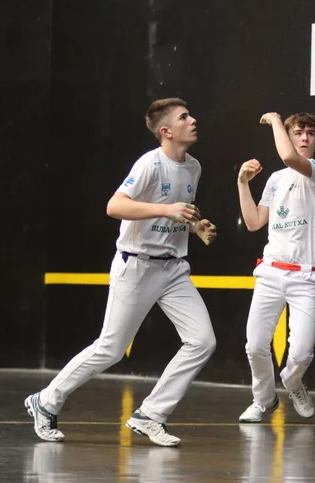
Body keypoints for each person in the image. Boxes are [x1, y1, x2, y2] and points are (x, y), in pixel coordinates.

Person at [25, 98, 218, 447]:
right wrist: (167, 210)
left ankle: (150, 415)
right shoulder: (149, 164)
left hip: (174, 269)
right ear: (166, 131)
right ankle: (46, 401)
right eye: (184, 117)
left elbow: (176, 215)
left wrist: (195, 227)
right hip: (137, 265)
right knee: (111, 348)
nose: (193, 120)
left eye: (190, 114)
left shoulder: (193, 167)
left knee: (202, 341)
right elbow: (115, 206)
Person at [235, 112, 315, 423]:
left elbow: (290, 157)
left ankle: (293, 379)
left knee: (301, 354)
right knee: (255, 346)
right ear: (289, 137)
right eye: (298, 132)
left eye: (309, 133)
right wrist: (242, 183)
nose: (304, 138)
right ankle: (263, 400)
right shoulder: (275, 180)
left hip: (306, 277)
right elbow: (254, 222)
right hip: (271, 273)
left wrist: (276, 120)